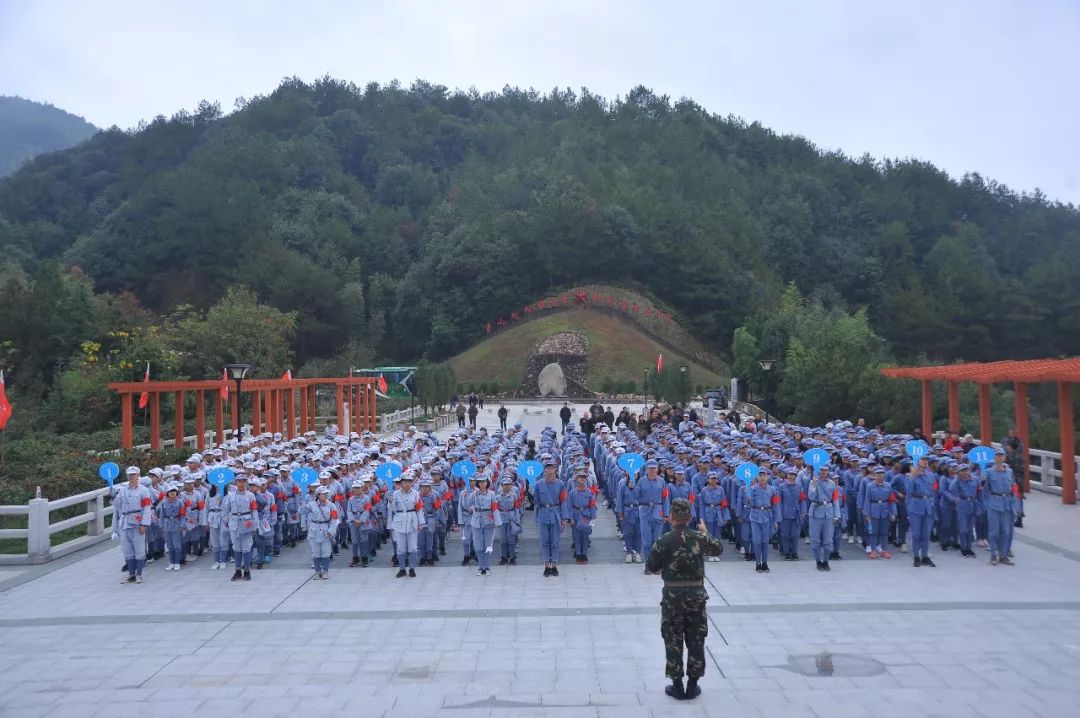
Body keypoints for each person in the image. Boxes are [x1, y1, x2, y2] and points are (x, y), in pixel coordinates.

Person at [645, 498, 722, 701]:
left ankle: (677, 685)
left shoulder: (663, 540)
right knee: (696, 639)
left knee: (673, 639)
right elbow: (718, 549)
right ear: (689, 517)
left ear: (672, 517)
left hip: (672, 597)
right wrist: (705, 532)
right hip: (696, 596)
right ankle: (693, 684)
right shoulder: (699, 537)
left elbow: (651, 567)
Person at [113, 466, 153, 584]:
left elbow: (146, 508)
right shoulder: (123, 490)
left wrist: (144, 524)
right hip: (125, 522)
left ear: (138, 475)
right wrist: (112, 496)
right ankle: (131, 574)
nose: (132, 476)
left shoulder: (143, 490)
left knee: (139, 549)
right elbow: (118, 505)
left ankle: (139, 574)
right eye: (130, 475)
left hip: (137, 521)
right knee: (127, 549)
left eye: (134, 474)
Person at [533, 459, 569, 577]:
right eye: (547, 468)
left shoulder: (560, 484)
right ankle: (546, 565)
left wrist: (564, 517)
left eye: (552, 467)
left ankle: (554, 564)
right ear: (544, 470)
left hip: (555, 513)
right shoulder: (538, 484)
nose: (550, 470)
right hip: (543, 513)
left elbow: (563, 501)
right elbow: (536, 501)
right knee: (544, 541)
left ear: (555, 469)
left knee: (555, 541)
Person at [984, 449, 1019, 566]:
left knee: (1006, 531)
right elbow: (985, 490)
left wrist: (1016, 504)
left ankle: (1003, 555)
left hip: (1007, 503)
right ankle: (993, 555)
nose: (999, 458)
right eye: (997, 456)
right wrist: (986, 504)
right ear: (994, 458)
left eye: (1001, 455)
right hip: (994, 503)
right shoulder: (989, 472)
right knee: (994, 532)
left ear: (1004, 457)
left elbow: (1014, 488)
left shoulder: (1009, 471)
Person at [806, 465, 841, 571]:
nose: (823, 472)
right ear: (819, 471)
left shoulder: (832, 484)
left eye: (826, 470)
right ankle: (818, 562)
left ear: (828, 471)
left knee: (828, 540)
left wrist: (836, 515)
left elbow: (835, 500)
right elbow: (811, 497)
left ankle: (825, 561)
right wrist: (815, 485)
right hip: (816, 513)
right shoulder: (812, 482)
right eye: (821, 470)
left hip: (828, 513)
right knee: (815, 540)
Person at [224, 474, 258, 581]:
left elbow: (254, 510)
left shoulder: (250, 495)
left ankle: (247, 570)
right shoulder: (230, 496)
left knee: (246, 547)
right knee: (236, 547)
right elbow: (226, 510)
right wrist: (226, 521)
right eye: (239, 482)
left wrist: (254, 524)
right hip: (234, 522)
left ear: (246, 483)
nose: (241, 484)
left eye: (244, 481)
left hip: (246, 521)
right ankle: (237, 570)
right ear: (236, 483)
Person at [391, 473, 425, 577]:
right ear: (401, 483)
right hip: (400, 519)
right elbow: (392, 509)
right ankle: (402, 569)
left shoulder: (415, 493)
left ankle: (412, 568)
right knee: (401, 546)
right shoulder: (396, 493)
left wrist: (421, 522)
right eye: (405, 482)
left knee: (413, 547)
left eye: (409, 481)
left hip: (412, 519)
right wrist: (389, 500)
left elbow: (419, 508)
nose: (407, 484)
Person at [306, 485, 339, 579]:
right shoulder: (311, 504)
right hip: (314, 530)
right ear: (318, 495)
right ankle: (317, 571)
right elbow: (303, 512)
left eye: (326, 493)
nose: (326, 495)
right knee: (315, 552)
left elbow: (334, 519)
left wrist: (331, 531)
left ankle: (325, 571)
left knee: (326, 552)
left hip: (326, 530)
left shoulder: (331, 505)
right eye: (324, 494)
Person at [469, 476, 500, 575]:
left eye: (484, 482)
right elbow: (469, 505)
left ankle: (487, 567)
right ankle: (480, 566)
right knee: (478, 545)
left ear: (487, 483)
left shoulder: (492, 494)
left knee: (488, 544)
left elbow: (494, 508)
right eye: (480, 482)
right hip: (477, 520)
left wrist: (497, 522)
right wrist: (472, 508)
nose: (482, 484)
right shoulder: (474, 494)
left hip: (489, 520)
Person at [568, 468, 597, 564]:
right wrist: (571, 518)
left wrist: (593, 518)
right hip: (576, 515)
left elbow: (592, 505)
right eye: (580, 477)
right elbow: (569, 505)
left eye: (584, 478)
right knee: (576, 536)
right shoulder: (572, 492)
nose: (582, 479)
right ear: (576, 479)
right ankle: (578, 554)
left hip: (586, 515)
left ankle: (584, 554)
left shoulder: (589, 492)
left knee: (585, 536)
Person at [157, 482, 186, 571]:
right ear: (167, 493)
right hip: (167, 524)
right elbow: (161, 515)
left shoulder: (180, 502)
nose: (172, 493)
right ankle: (171, 562)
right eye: (170, 491)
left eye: (174, 491)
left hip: (176, 524)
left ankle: (177, 562)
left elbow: (183, 515)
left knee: (177, 545)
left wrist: (182, 525)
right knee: (169, 546)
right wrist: (161, 525)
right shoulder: (164, 503)